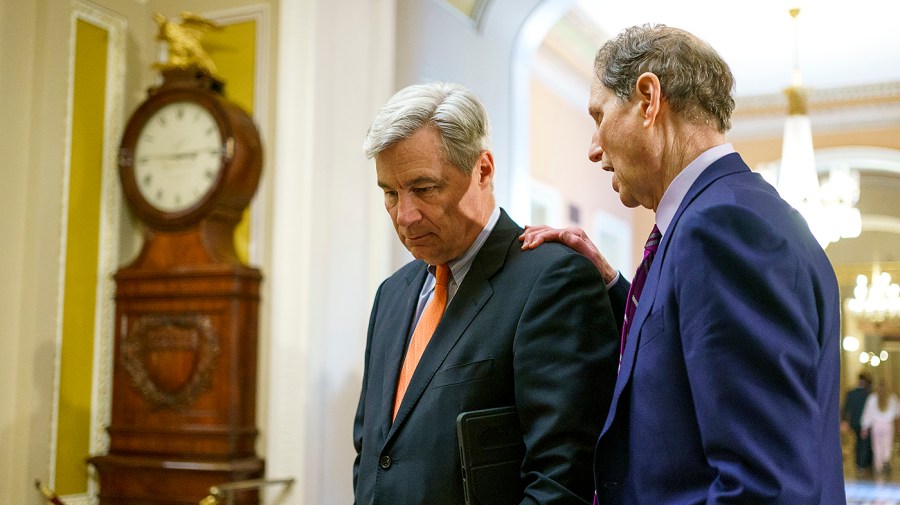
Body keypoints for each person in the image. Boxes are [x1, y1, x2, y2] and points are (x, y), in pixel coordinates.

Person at [520, 24, 845, 503]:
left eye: (599, 115)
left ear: (648, 99)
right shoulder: (721, 217)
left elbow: (760, 487)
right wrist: (616, 286)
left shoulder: (722, 228)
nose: (593, 148)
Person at [353, 82, 620, 505]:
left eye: (424, 189)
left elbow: (560, 481)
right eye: (390, 193)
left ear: (483, 170)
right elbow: (373, 454)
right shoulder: (392, 295)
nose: (404, 216)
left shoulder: (553, 280)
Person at [861, 376, 898, 481]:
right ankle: (886, 459)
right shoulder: (892, 397)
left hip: (876, 425)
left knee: (876, 446)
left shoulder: (872, 398)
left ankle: (879, 467)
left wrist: (865, 427)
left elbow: (867, 413)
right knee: (887, 444)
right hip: (888, 425)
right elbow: (897, 412)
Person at [842, 372, 874, 477]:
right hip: (867, 423)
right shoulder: (868, 394)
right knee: (864, 444)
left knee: (858, 443)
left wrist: (844, 421)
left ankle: (859, 464)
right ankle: (862, 464)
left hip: (854, 423)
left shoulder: (851, 393)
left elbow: (846, 408)